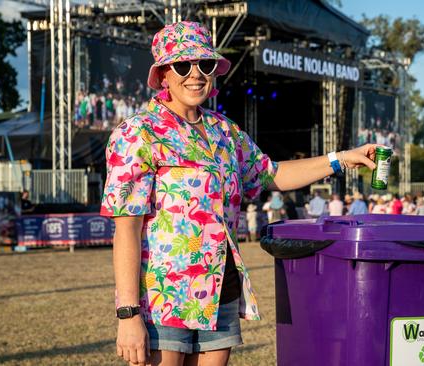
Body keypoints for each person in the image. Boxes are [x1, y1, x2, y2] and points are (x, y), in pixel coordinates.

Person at [100, 21, 379, 366]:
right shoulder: (137, 134)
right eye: (183, 65)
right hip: (162, 298)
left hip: (221, 291)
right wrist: (128, 314)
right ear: (163, 75)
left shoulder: (225, 133)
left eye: (204, 65)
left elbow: (272, 174)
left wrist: (341, 159)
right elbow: (126, 228)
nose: (195, 74)